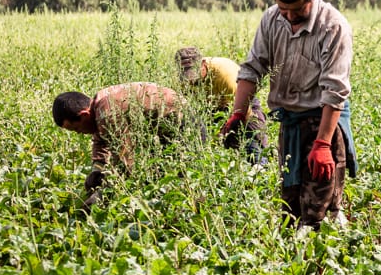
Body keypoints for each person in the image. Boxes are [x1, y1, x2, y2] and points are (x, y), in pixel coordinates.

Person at [226, 0, 355, 229]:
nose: (290, 17)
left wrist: (322, 144)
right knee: (291, 199)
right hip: (290, 121)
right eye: (283, 9)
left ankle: (327, 244)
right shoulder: (272, 19)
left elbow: (334, 91)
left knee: (318, 200)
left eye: (297, 10)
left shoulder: (333, 26)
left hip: (323, 119)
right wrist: (239, 112)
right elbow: (253, 68)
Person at [52, 82, 189, 210]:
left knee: (184, 181)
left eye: (76, 129)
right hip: (161, 129)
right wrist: (96, 172)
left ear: (84, 114)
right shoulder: (98, 109)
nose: (80, 133)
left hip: (184, 123)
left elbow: (125, 163)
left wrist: (102, 196)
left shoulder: (108, 113)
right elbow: (101, 143)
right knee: (157, 175)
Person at [175, 47, 268, 163]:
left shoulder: (224, 74)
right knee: (223, 144)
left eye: (193, 73)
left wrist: (224, 130)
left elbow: (243, 111)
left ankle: (261, 165)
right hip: (211, 106)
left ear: (203, 64)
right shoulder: (183, 81)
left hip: (241, 100)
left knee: (252, 136)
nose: (190, 81)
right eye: (185, 75)